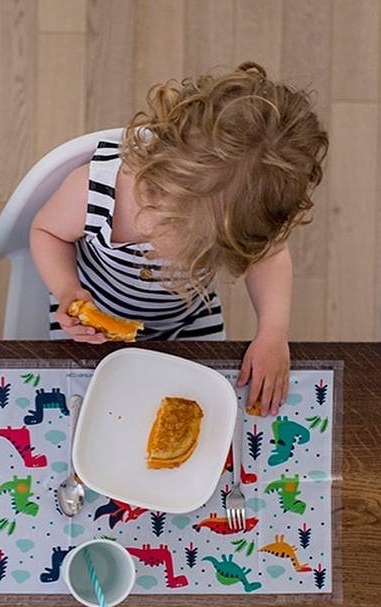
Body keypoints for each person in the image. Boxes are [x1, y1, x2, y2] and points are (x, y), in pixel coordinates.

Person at [30, 63, 328, 414]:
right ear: (156, 176)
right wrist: (67, 290)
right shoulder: (96, 190)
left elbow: (270, 255)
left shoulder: (240, 218)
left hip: (188, 321)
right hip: (93, 319)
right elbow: (46, 232)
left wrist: (272, 333)